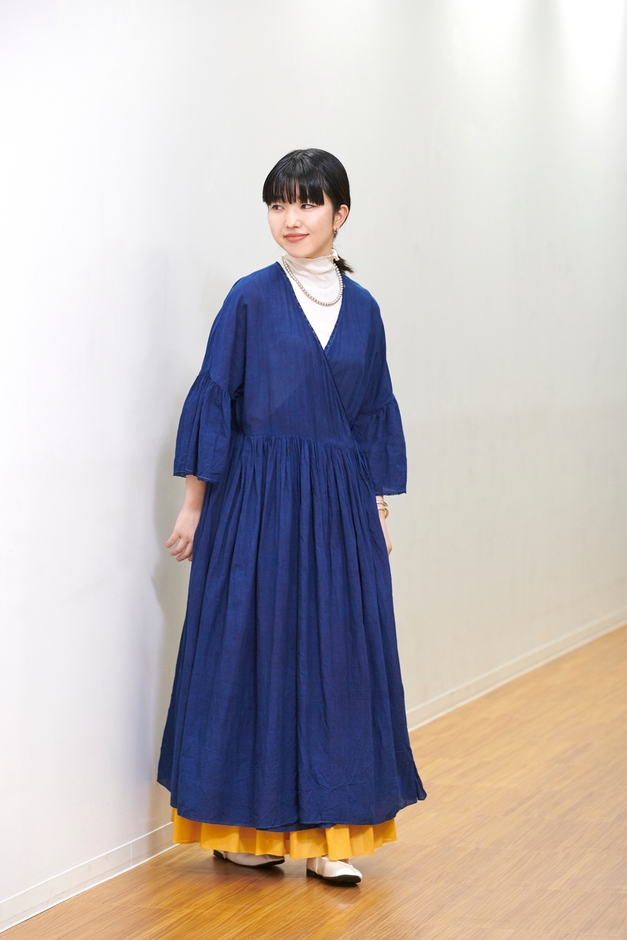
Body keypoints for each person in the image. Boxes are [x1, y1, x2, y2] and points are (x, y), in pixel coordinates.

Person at [158, 149, 426, 886]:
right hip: (253, 503)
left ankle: (335, 836)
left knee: (341, 662)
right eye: (278, 204)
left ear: (341, 213)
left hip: (338, 508)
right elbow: (215, 400)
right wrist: (194, 506)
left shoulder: (364, 310)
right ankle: (248, 832)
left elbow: (371, 416)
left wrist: (375, 507)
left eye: (307, 203)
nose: (291, 218)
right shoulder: (248, 299)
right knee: (252, 657)